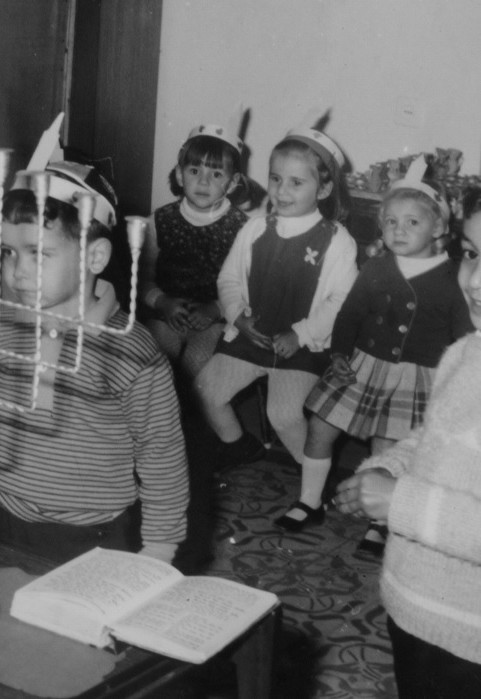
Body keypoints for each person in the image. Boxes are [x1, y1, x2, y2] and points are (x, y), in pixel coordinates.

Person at [0, 157, 189, 565]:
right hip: (2, 517)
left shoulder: (132, 351)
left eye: (38, 254)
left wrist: (160, 548)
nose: (16, 272)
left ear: (95, 257)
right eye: (7, 252)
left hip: (93, 537)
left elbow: (161, 454)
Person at [333, 187, 481, 698]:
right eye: (473, 254)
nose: (477, 281)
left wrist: (401, 503)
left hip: (468, 635)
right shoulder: (467, 351)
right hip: (412, 603)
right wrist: (391, 466)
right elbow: (432, 434)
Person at [278, 160, 474, 537]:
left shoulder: (452, 278)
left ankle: (379, 522)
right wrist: (338, 354)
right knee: (321, 427)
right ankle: (309, 499)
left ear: (438, 228)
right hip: (363, 365)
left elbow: (464, 337)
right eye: (391, 222)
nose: (399, 230)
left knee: (388, 447)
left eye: (412, 222)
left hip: (415, 376)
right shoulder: (376, 267)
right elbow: (350, 315)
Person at [194, 126, 358, 473]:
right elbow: (229, 279)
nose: (282, 191)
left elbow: (343, 300)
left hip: (301, 348)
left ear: (324, 188)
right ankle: (238, 444)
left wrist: (300, 334)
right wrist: (237, 316)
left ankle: (314, 474)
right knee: (206, 390)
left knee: (282, 414)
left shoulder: (336, 239)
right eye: (276, 179)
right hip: (252, 337)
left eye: (296, 183)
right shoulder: (254, 229)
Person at [139, 123, 255, 382]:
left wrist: (216, 309)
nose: (203, 181)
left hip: (216, 320)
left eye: (216, 174)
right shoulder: (158, 221)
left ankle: (192, 418)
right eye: (194, 170)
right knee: (155, 361)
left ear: (233, 182)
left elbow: (248, 286)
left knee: (197, 362)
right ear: (180, 175)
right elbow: (141, 278)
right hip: (166, 315)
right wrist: (162, 302)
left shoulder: (243, 228)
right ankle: (161, 417)